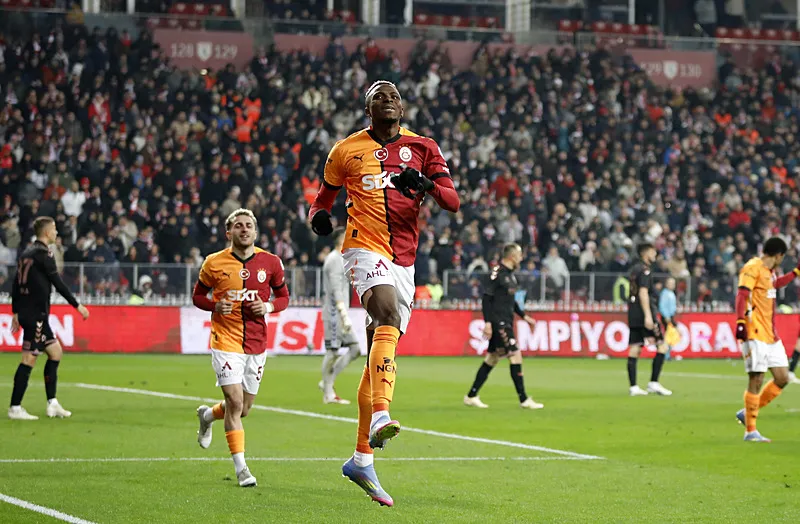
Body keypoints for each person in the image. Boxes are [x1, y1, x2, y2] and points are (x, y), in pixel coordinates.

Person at [308, 80, 460, 507]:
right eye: (379, 96)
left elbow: (452, 201)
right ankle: (381, 415)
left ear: (403, 107)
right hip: (362, 246)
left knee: (379, 346)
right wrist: (319, 218)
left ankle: (361, 460)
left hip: (404, 260)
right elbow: (321, 201)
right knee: (387, 316)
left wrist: (425, 185)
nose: (388, 100)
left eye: (394, 96)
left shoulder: (424, 147)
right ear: (368, 108)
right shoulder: (345, 150)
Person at [191, 208, 290, 486]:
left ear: (255, 232)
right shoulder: (214, 263)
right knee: (234, 402)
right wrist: (214, 306)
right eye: (238, 225)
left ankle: (207, 415)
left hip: (256, 343)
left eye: (248, 225)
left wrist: (268, 306)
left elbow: (284, 297)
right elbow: (198, 296)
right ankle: (242, 469)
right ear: (229, 232)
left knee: (243, 408)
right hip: (225, 339)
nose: (244, 229)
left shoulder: (271, 262)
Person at [9, 216, 90, 420]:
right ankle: (15, 407)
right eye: (54, 229)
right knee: (29, 359)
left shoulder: (26, 253)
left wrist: (15, 311)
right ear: (46, 232)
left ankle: (52, 403)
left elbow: (16, 284)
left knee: (55, 352)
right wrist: (77, 305)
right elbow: (58, 283)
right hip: (36, 313)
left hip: (30, 312)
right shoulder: (45, 254)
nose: (56, 232)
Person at [734, 237, 800, 442]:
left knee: (783, 377)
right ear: (778, 255)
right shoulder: (752, 267)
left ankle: (747, 412)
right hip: (754, 331)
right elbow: (742, 294)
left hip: (770, 334)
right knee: (756, 378)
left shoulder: (770, 272)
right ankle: (750, 431)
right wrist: (740, 322)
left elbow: (775, 285)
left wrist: (796, 273)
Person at [464, 243, 542, 409]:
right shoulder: (497, 273)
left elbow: (511, 301)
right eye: (519, 255)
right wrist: (487, 322)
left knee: (492, 358)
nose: (521, 258)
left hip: (506, 321)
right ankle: (524, 399)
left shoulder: (511, 276)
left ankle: (471, 396)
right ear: (512, 256)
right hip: (498, 322)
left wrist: (524, 316)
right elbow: (486, 299)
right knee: (515, 355)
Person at [319, 228, 360, 404]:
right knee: (333, 352)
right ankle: (328, 392)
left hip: (340, 314)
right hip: (334, 314)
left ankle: (327, 382)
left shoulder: (342, 259)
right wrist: (344, 315)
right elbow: (336, 290)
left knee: (355, 349)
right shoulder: (334, 260)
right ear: (340, 239)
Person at [626, 243, 672, 396]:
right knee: (662, 346)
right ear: (645, 254)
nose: (655, 255)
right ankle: (654, 383)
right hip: (644, 312)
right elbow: (643, 293)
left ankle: (633, 387)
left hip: (633, 312)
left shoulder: (634, 269)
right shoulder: (645, 270)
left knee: (635, 347)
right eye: (653, 252)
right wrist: (648, 316)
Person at [659, 277, 679, 356]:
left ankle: (667, 354)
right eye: (670, 283)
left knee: (670, 335)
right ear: (666, 284)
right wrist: (666, 316)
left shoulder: (671, 293)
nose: (672, 285)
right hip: (667, 317)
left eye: (673, 283)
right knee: (668, 335)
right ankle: (665, 354)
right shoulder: (665, 293)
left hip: (671, 316)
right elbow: (662, 306)